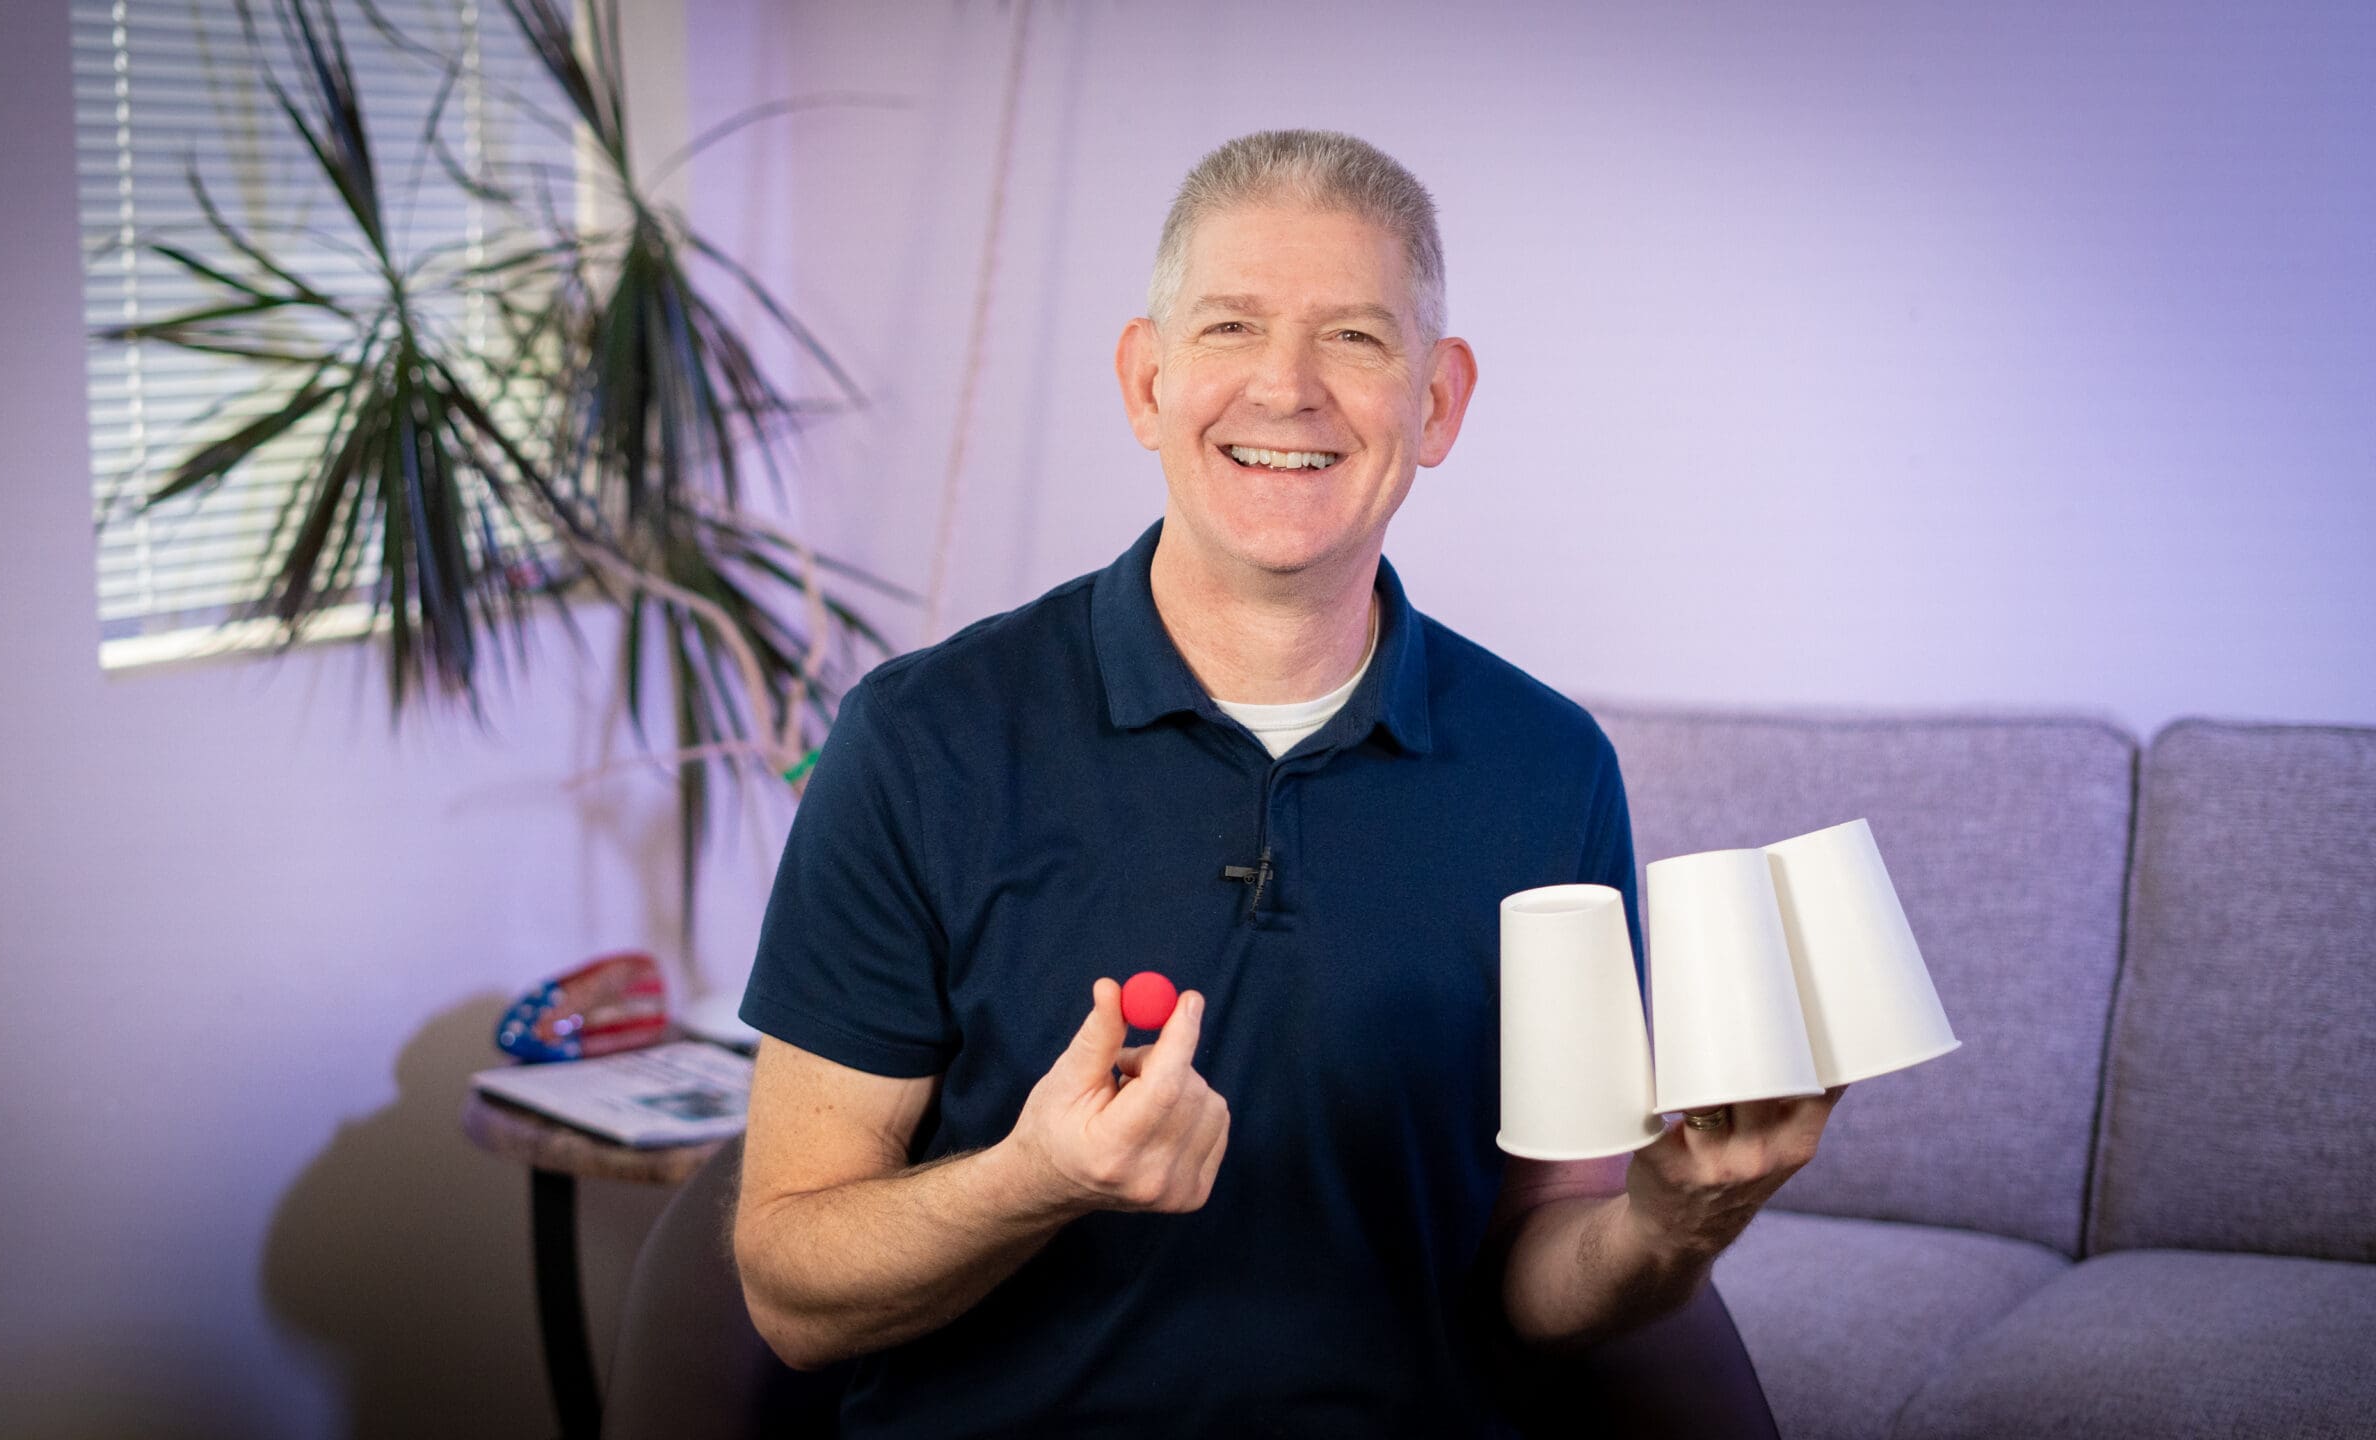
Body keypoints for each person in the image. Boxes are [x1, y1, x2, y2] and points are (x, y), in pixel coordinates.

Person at [731, 129, 1842, 1438]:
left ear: (1437, 402)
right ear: (1146, 382)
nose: (1286, 387)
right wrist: (1031, 1178)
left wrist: (1667, 1228)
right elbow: (792, 1293)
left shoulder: (1548, 770)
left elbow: (1543, 1271)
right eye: (1231, 328)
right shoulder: (919, 741)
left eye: (1357, 339)